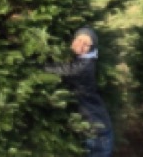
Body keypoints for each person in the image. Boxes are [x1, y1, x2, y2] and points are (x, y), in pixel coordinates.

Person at [45, 27, 114, 157]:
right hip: (96, 126)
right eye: (79, 40)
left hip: (97, 131)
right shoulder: (87, 58)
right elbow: (87, 32)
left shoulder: (83, 66)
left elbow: (61, 69)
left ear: (92, 47)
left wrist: (31, 64)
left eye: (86, 43)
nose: (81, 45)